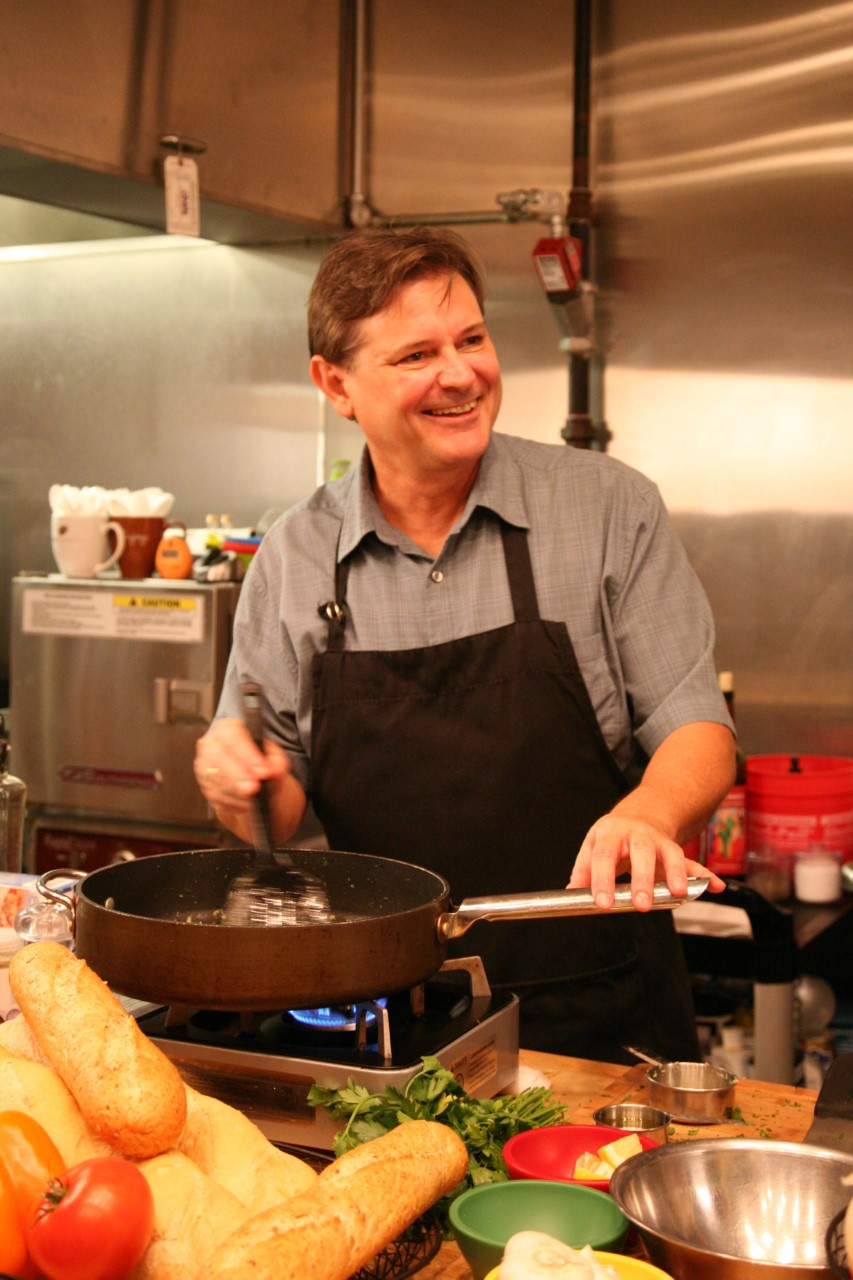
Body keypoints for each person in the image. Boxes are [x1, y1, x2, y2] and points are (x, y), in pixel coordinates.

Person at [195, 226, 735, 1063]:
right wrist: (243, 788)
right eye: (417, 354)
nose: (461, 374)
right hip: (379, 1019)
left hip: (600, 1010)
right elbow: (281, 800)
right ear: (334, 384)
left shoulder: (605, 509)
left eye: (472, 340)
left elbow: (694, 724)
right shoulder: (294, 555)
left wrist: (649, 812)